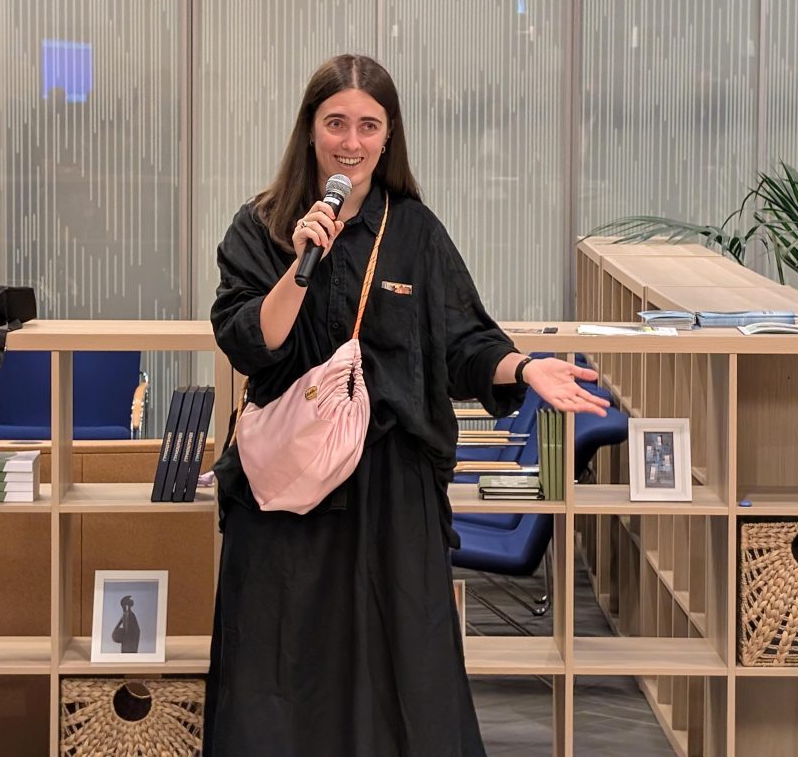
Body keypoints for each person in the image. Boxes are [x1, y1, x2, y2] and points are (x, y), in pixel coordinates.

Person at [206, 54, 608, 757]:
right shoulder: (262, 225)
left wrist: (525, 365)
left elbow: (463, 343)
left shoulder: (415, 231)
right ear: (310, 129)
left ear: (388, 135)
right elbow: (250, 343)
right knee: (278, 667)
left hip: (391, 492)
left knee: (402, 678)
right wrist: (299, 266)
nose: (351, 141)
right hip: (287, 494)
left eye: (368, 125)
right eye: (336, 123)